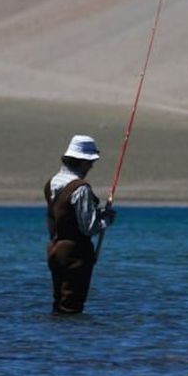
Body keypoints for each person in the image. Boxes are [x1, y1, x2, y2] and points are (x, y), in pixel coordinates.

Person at [44, 134, 116, 314]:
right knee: (72, 308)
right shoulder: (80, 188)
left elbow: (66, 213)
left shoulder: (53, 182)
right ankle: (72, 341)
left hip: (54, 249)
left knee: (59, 304)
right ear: (81, 161)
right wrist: (106, 219)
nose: (91, 166)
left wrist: (97, 213)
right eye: (89, 162)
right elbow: (89, 228)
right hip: (75, 255)